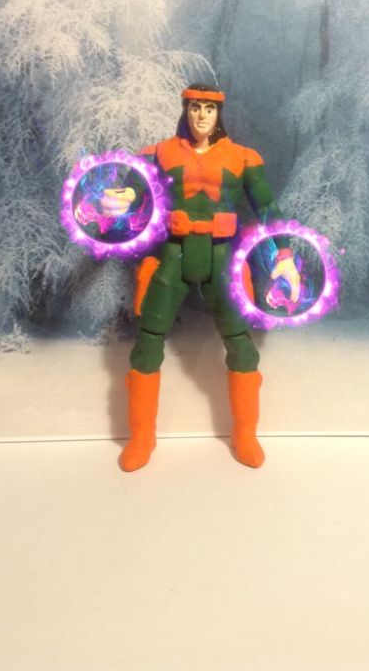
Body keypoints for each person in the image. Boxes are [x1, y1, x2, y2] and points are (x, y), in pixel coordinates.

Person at [103, 84, 300, 471]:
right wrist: (122, 197)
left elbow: (267, 207)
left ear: (218, 113)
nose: (202, 115)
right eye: (195, 107)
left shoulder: (243, 158)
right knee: (147, 342)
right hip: (172, 253)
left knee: (241, 344)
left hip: (221, 256)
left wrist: (286, 255)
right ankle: (141, 436)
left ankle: (245, 433)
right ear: (186, 110)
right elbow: (132, 189)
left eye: (209, 108)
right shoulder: (158, 153)